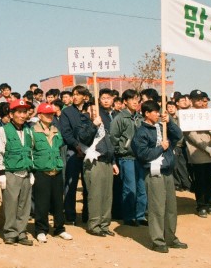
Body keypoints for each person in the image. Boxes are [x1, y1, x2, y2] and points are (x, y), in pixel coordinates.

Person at [132, 100, 186, 253]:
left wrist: (170, 122)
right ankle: (158, 240)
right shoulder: (141, 132)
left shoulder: (163, 127)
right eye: (155, 112)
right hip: (154, 173)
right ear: (147, 114)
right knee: (157, 208)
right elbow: (142, 154)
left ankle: (170, 237)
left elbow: (178, 136)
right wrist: (159, 148)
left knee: (170, 207)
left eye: (158, 111)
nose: (158, 114)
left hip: (167, 171)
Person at [0, 98, 35, 245]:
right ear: (11, 114)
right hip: (11, 172)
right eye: (19, 112)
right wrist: (2, 174)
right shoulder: (3, 131)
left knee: (24, 204)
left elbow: (31, 152)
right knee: (11, 204)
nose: (22, 115)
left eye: (25, 112)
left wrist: (32, 171)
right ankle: (10, 232)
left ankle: (21, 232)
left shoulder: (29, 131)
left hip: (26, 172)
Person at [58, 85, 96, 226]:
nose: (75, 97)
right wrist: (76, 146)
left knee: (88, 184)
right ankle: (70, 215)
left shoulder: (91, 110)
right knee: (71, 183)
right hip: (73, 151)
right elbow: (65, 132)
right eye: (73, 94)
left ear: (85, 97)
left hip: (91, 152)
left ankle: (87, 214)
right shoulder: (67, 112)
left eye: (78, 94)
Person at [31, 102, 68, 243]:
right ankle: (41, 230)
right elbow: (31, 151)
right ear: (39, 115)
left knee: (58, 202)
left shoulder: (56, 130)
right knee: (42, 203)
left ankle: (60, 228)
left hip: (56, 170)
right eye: (46, 114)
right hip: (42, 171)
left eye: (51, 114)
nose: (49, 116)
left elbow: (59, 146)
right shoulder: (33, 131)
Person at [83, 89, 118, 237]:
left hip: (108, 161)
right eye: (102, 98)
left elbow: (110, 142)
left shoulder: (109, 119)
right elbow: (83, 138)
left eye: (108, 98)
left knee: (107, 195)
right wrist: (93, 125)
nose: (105, 101)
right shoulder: (86, 120)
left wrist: (114, 162)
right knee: (96, 194)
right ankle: (94, 224)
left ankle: (104, 224)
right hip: (95, 161)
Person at [110, 89, 147, 227]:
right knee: (130, 188)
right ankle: (129, 216)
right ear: (125, 102)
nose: (135, 102)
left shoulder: (140, 118)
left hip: (140, 158)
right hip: (126, 157)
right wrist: (117, 156)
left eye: (137, 99)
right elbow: (113, 138)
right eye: (131, 99)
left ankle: (140, 215)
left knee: (142, 188)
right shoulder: (119, 118)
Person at [184, 89, 211, 216]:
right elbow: (190, 134)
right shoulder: (188, 114)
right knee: (200, 180)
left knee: (209, 179)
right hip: (197, 151)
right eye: (196, 99)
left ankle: (209, 204)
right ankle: (201, 205)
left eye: (201, 99)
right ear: (192, 100)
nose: (199, 101)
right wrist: (205, 147)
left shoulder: (206, 113)